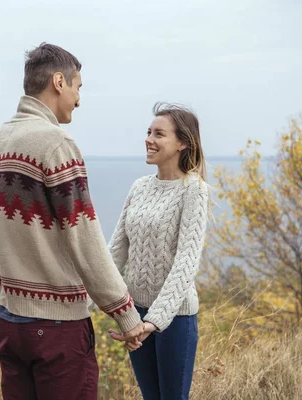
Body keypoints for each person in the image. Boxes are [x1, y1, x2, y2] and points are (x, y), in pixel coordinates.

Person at [0, 43, 143, 400]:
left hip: (9, 322)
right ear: (58, 82)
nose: (79, 99)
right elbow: (85, 241)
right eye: (78, 87)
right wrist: (126, 315)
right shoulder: (56, 145)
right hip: (56, 329)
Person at [108, 103, 209, 400]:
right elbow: (115, 250)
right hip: (135, 315)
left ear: (182, 143)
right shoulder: (139, 187)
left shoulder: (194, 189)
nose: (149, 139)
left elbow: (186, 263)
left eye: (159, 134)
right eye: (148, 132)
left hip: (175, 318)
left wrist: (155, 321)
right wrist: (85, 301)